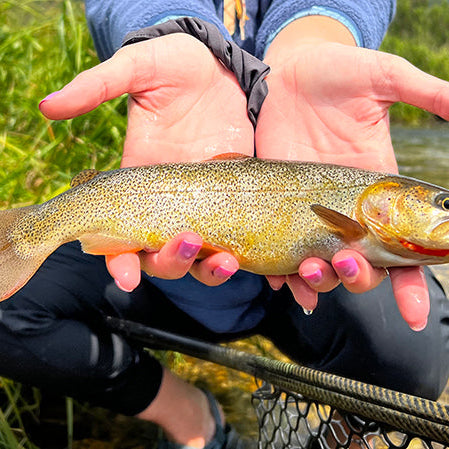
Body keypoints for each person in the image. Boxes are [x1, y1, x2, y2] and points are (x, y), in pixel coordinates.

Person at [2, 1, 449, 448]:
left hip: (306, 289)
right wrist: (171, 31)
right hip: (167, 271)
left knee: (418, 359)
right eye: (442, 204)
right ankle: (188, 416)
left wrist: (318, 31)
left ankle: (341, 437)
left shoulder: (365, 222)